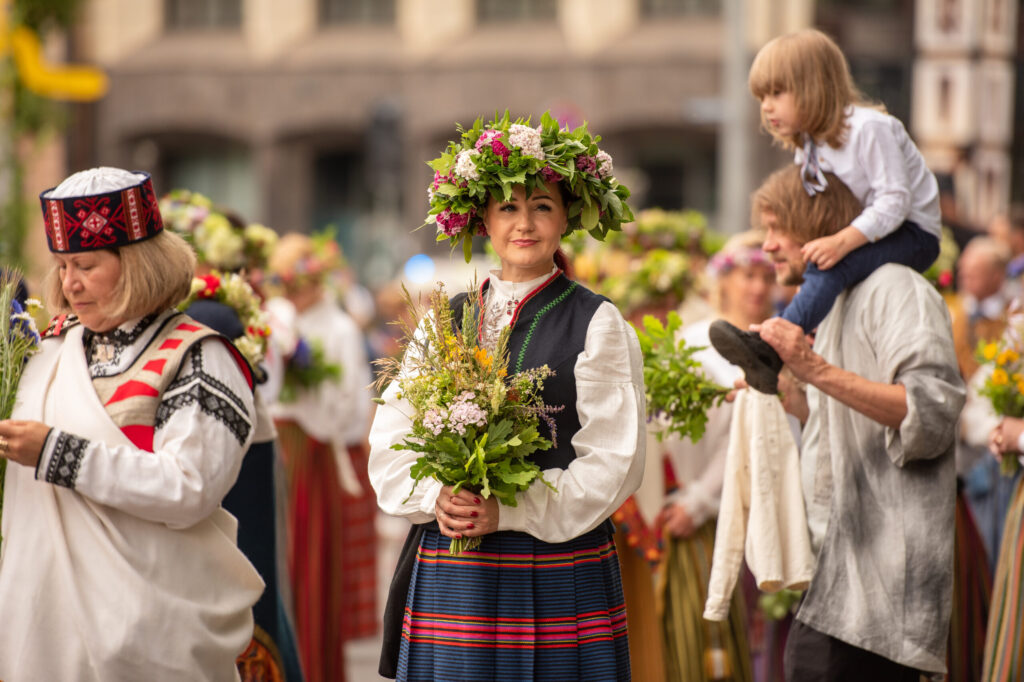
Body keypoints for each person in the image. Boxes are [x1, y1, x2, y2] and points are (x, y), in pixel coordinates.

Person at [369, 115, 645, 681]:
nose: (525, 223)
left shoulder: (597, 322)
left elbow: (615, 463)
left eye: (542, 205)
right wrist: (436, 494)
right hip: (454, 563)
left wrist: (511, 509)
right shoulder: (445, 319)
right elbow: (393, 434)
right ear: (484, 220)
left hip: (554, 562)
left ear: (567, 216)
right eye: (508, 208)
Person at [0, 167, 263, 680]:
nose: (69, 283)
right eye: (61, 266)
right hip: (39, 630)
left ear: (138, 264)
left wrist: (57, 452)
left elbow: (189, 489)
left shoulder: (199, 358)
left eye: (86, 265)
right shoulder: (48, 350)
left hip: (148, 634)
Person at [747, 165, 964, 680]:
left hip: (880, 593)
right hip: (839, 584)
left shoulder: (895, 288)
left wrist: (815, 368)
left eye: (778, 229)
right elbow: (846, 428)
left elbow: (930, 412)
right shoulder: (844, 299)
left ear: (817, 221)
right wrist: (796, 395)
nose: (769, 246)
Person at [710, 28, 941, 394]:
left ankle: (773, 346)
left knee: (831, 263)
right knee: (821, 263)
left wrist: (841, 241)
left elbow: (895, 201)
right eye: (761, 97)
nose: (766, 106)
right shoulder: (811, 148)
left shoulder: (869, 129)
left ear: (812, 86)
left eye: (776, 93)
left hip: (913, 233)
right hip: (866, 232)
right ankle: (780, 349)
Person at [656, 230, 775, 682]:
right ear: (725, 279)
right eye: (749, 274)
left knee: (736, 635)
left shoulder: (778, 343)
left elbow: (753, 439)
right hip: (681, 510)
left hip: (736, 510)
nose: (759, 288)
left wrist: (701, 500)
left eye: (768, 276)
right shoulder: (689, 341)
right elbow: (659, 428)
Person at [264, 232, 374, 682]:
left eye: (300, 284)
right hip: (276, 449)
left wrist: (311, 397)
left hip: (313, 452)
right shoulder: (275, 319)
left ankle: (315, 665)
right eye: (287, 286)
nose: (295, 295)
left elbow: (351, 404)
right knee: (277, 559)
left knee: (310, 566)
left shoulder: (340, 328)